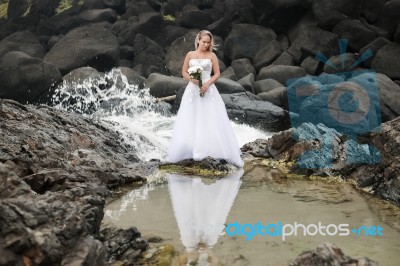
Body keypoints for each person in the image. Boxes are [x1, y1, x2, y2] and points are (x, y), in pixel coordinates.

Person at [167, 30, 244, 167]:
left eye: (208, 42)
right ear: (198, 40)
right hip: (192, 89)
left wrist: (207, 84)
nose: (206, 44)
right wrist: (192, 79)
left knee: (209, 117)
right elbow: (184, 72)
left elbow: (217, 74)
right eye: (204, 42)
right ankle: (188, 149)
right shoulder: (190, 54)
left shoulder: (212, 55)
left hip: (208, 89)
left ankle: (211, 148)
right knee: (191, 116)